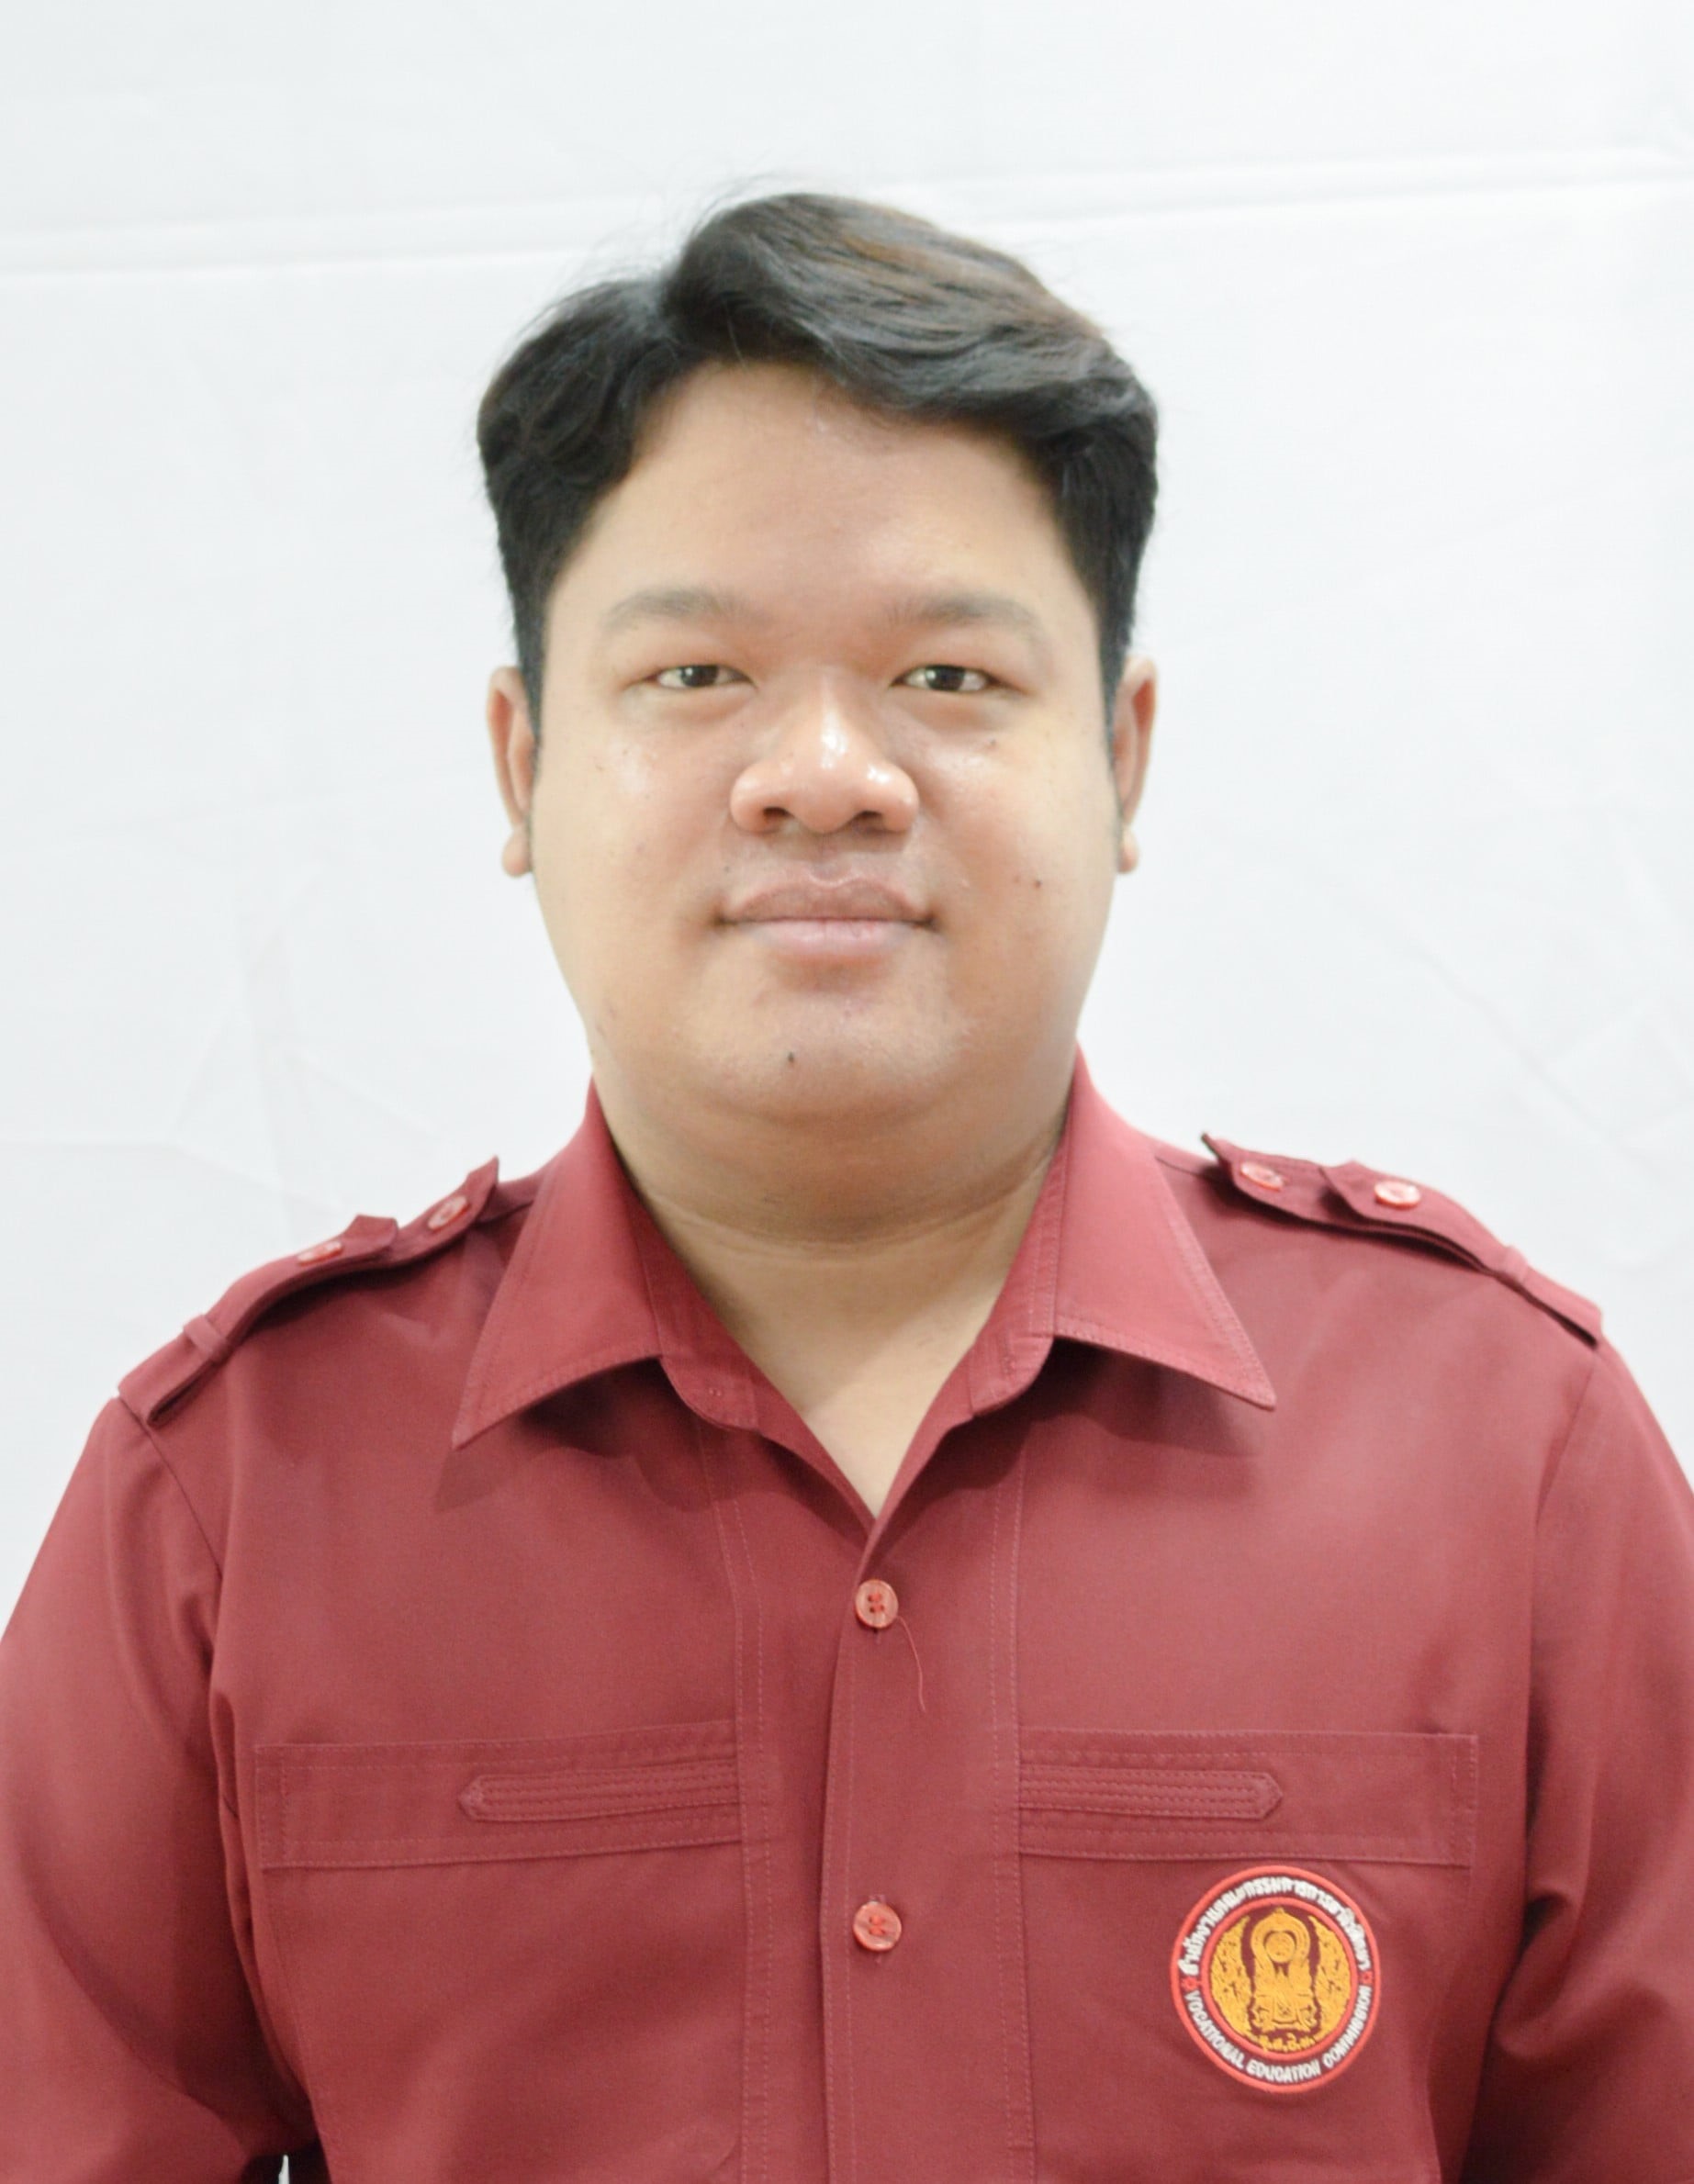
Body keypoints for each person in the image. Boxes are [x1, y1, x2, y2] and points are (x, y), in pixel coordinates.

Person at [2, 188, 1690, 2184]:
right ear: (520, 760)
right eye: (694, 674)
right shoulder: (229, 1502)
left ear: (1124, 755)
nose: (822, 770)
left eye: (948, 678)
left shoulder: (1501, 1451)